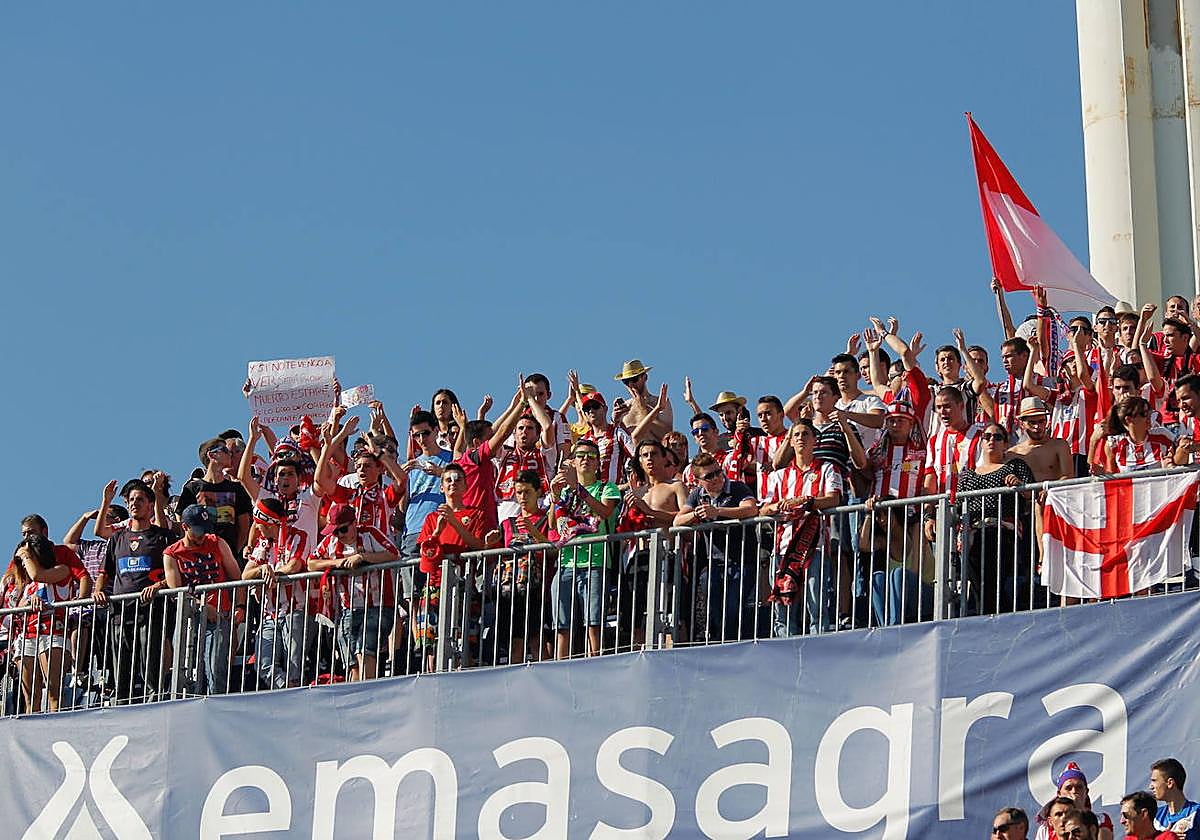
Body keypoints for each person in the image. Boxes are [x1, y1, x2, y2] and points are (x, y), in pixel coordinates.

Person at [760, 420, 845, 636]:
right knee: (782, 606)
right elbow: (763, 509)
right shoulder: (778, 476)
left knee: (816, 604)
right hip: (782, 550)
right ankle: (785, 649)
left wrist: (807, 502)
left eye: (805, 434)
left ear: (815, 440)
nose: (800, 438)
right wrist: (776, 507)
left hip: (814, 547)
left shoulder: (827, 468)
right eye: (795, 435)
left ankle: (819, 648)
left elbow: (834, 499)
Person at [92, 478, 174, 703]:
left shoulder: (162, 537)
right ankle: (121, 703)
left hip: (152, 609)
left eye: (139, 499)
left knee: (150, 662)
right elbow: (104, 572)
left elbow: (175, 573)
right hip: (120, 611)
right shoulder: (118, 538)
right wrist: (98, 591)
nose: (134, 503)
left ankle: (154, 701)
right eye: (130, 500)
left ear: (150, 505)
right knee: (122, 665)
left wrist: (158, 586)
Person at [308, 502, 400, 682]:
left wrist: (363, 557)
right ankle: (356, 697)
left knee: (365, 650)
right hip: (347, 610)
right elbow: (311, 563)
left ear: (353, 523)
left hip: (378, 606)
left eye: (342, 530)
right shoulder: (331, 542)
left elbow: (393, 553)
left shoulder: (370, 533)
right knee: (351, 661)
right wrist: (337, 564)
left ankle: (368, 693)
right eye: (334, 531)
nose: (338, 536)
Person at [548, 438, 621, 659]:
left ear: (598, 463)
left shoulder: (607, 487)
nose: (586, 460)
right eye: (580, 456)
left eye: (591, 456)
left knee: (594, 622)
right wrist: (554, 495)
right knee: (562, 625)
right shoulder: (564, 492)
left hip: (596, 562)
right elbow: (553, 524)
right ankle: (560, 665)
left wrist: (578, 489)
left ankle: (595, 662)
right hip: (565, 562)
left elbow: (605, 512)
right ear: (573, 461)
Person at [675, 452, 759, 642]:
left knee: (732, 608)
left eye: (718, 472)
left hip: (742, 561)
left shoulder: (737, 487)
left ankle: (732, 645)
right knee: (713, 610)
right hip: (713, 564)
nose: (717, 478)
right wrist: (696, 514)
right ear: (698, 481)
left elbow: (751, 509)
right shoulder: (697, 495)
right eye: (709, 476)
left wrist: (718, 511)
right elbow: (677, 521)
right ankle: (719, 644)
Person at [163, 505, 244, 696]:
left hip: (220, 618)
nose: (202, 535)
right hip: (189, 619)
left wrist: (240, 606)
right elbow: (176, 591)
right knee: (186, 669)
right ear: (185, 527)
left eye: (205, 529)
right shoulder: (172, 553)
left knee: (216, 670)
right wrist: (204, 607)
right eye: (197, 529)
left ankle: (216, 709)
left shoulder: (217, 542)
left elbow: (237, 578)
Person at [415, 464, 489, 670]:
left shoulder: (476, 515)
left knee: (463, 636)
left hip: (463, 583)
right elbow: (426, 551)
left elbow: (477, 545)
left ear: (466, 486)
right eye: (448, 480)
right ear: (441, 487)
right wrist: (437, 532)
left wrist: (455, 524)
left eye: (457, 480)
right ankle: (431, 676)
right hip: (435, 585)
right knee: (431, 640)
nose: (453, 483)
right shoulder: (432, 518)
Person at [957, 423, 1035, 615]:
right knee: (979, 584)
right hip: (972, 533)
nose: (991, 440)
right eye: (987, 437)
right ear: (981, 442)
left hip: (1002, 530)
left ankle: (991, 618)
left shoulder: (1015, 466)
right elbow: (959, 505)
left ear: (1006, 443)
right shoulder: (967, 474)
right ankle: (992, 618)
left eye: (997, 437)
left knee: (992, 579)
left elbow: (1031, 494)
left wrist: (1019, 485)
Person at [243, 497, 313, 689]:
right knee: (263, 664)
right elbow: (245, 574)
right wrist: (262, 569)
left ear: (271, 523)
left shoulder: (299, 536)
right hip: (269, 614)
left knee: (294, 667)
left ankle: (296, 697)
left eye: (260, 524)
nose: (257, 528)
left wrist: (275, 573)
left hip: (295, 611)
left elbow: (295, 565)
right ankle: (286, 690)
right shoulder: (263, 544)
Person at [484, 469, 551, 665]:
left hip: (537, 592)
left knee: (537, 642)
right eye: (519, 492)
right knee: (516, 644)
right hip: (509, 593)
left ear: (538, 492)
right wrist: (489, 544)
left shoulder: (546, 519)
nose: (522, 497)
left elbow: (553, 549)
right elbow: (494, 556)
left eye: (527, 492)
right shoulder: (507, 524)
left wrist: (534, 533)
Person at [2, 535, 75, 712]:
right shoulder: (25, 584)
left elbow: (39, 574)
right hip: (27, 636)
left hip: (53, 634)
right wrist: (25, 604)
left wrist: (25, 555)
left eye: (27, 556)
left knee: (53, 693)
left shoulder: (62, 570)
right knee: (30, 697)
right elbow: (13, 613)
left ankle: (55, 732)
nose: (23, 562)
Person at [176, 437, 254, 558]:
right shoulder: (191, 489)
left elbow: (244, 526)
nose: (230, 453)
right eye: (224, 450)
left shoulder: (237, 489)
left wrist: (233, 552)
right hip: (201, 558)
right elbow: (183, 522)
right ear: (212, 455)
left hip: (229, 556)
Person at [1034, 762, 1113, 840]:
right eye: (1068, 788)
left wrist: (1078, 811)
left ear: (1086, 792)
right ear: (1059, 794)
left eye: (1079, 787)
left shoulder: (1100, 820)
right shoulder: (1046, 830)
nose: (1074, 791)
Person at [1103, 396, 1175, 473]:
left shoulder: (1163, 434)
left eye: (1149, 413)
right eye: (1144, 414)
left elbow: (1181, 460)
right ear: (1128, 420)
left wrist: (1169, 468)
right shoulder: (1114, 443)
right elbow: (1111, 477)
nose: (1149, 417)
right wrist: (1093, 442)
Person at [1009, 397, 1073, 482]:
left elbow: (1068, 476)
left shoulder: (1059, 446)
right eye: (1032, 423)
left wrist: (1049, 490)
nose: (1037, 427)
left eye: (1041, 421)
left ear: (1046, 421)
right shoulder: (1013, 453)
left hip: (1054, 495)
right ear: (1022, 424)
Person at [614, 359, 673, 441]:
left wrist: (643, 410)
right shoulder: (625, 407)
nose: (631, 385)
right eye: (626, 381)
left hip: (653, 452)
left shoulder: (659, 402)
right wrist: (615, 421)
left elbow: (667, 436)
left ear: (645, 377)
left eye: (634, 379)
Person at [1149, 757, 1200, 839]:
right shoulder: (1155, 815)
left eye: (1154, 780)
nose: (1150, 786)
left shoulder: (1197, 812)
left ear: (1170, 783)